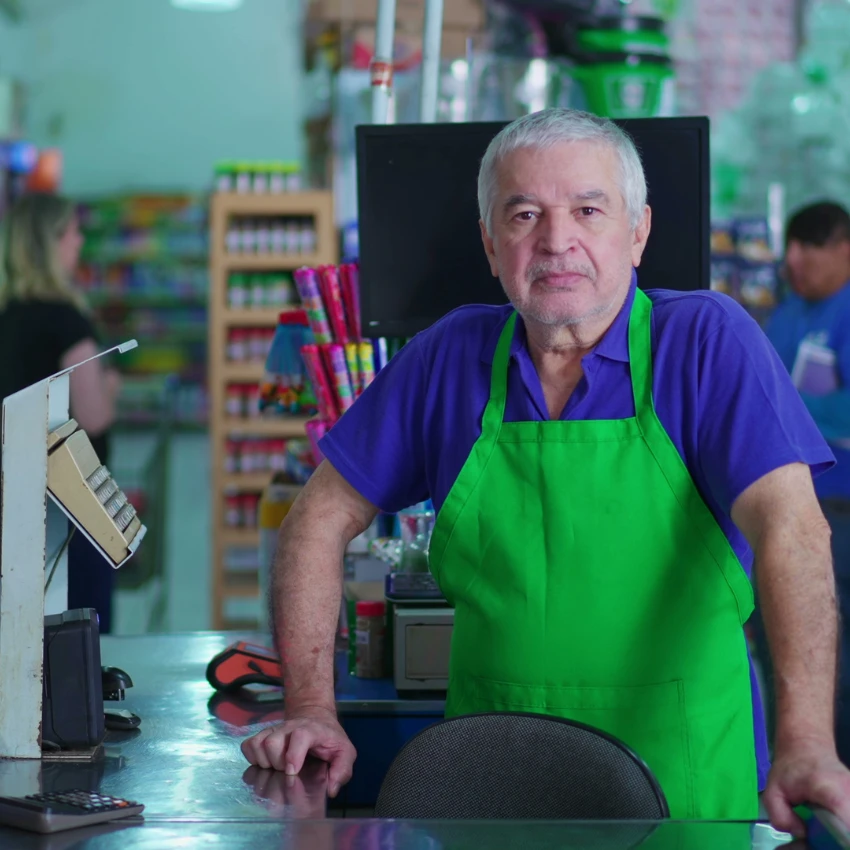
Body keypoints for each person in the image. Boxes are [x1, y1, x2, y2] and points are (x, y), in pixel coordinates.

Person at [242, 109, 850, 833]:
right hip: (491, 787)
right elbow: (317, 519)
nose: (556, 241)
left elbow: (791, 527)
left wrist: (807, 740)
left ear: (638, 232)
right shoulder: (448, 355)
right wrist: (312, 709)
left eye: (588, 210)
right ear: (491, 244)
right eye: (524, 213)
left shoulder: (706, 342)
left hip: (682, 787)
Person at [0, 193, 120, 632]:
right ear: (50, 243)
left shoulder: (8, 315)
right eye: (72, 232)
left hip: (19, 496)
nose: (80, 241)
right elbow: (96, 414)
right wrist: (109, 384)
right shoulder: (66, 320)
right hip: (75, 503)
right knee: (81, 630)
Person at [763, 201, 850, 768]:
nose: (793, 259)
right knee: (784, 656)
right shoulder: (786, 315)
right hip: (784, 509)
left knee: (834, 665)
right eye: (790, 246)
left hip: (841, 512)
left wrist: (788, 413)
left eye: (809, 246)